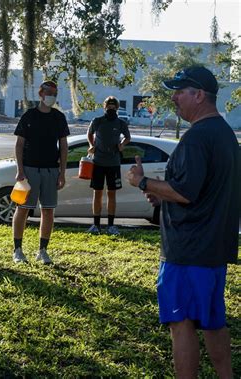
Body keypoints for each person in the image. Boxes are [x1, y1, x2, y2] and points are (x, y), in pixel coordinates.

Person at [126, 66, 238, 378]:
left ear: (199, 95)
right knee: (213, 322)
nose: (174, 97)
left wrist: (144, 182)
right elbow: (202, 191)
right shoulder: (224, 135)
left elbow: (185, 192)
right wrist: (165, 198)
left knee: (182, 324)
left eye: (180, 91)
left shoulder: (197, 137)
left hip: (188, 251)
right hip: (214, 250)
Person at [12, 80, 69, 264]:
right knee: (23, 209)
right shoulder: (29, 116)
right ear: (40, 94)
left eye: (55, 93)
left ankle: (42, 251)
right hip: (29, 170)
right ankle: (18, 250)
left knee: (48, 210)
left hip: (51, 170)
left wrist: (62, 173)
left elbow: (64, 147)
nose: (51, 96)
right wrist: (20, 170)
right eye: (48, 92)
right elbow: (19, 145)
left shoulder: (59, 118)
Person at [86, 96, 131, 235]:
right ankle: (96, 225)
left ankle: (111, 225)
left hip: (113, 162)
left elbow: (128, 137)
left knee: (111, 193)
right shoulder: (97, 121)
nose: (111, 108)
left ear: (117, 108)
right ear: (104, 107)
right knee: (97, 192)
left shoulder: (121, 123)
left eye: (113, 107)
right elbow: (89, 133)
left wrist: (122, 145)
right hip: (98, 162)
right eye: (108, 106)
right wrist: (91, 145)